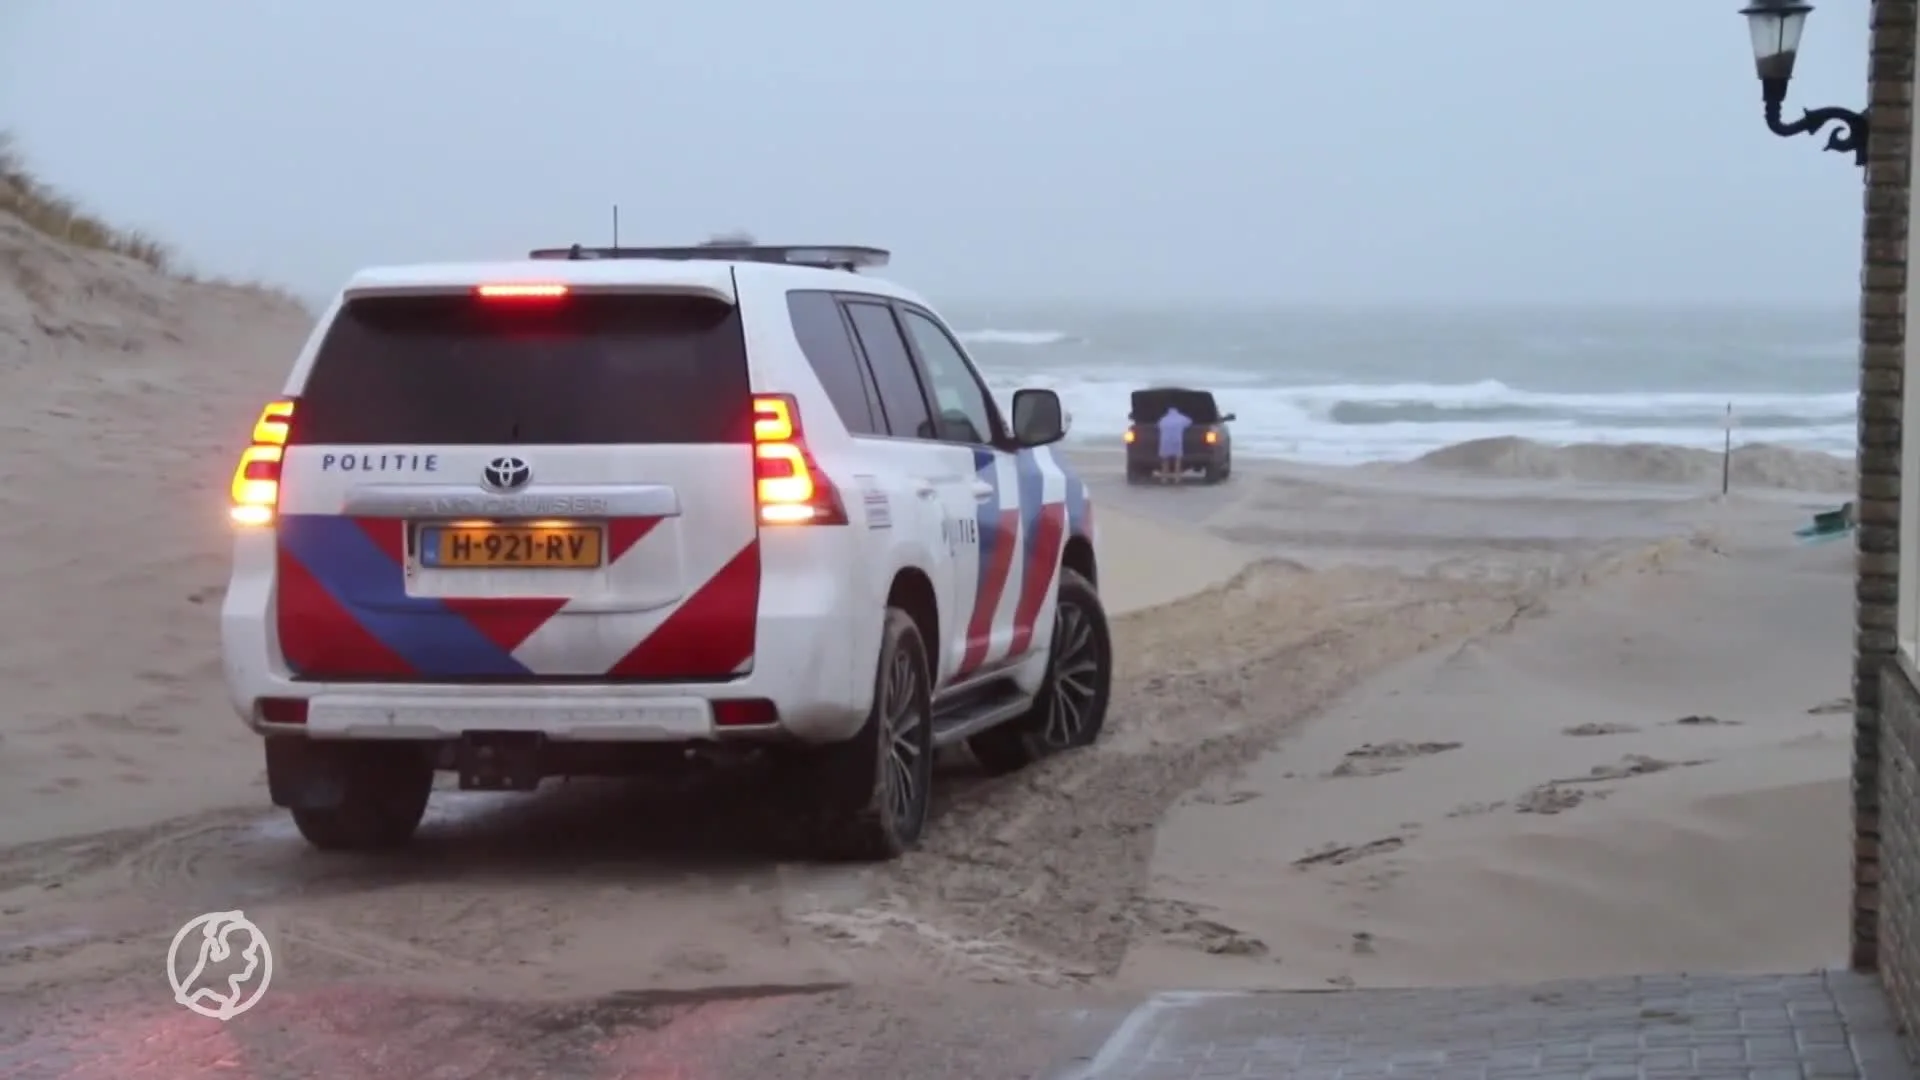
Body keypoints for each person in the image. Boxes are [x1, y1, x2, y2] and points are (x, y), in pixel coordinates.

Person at [1156, 404, 1192, 483]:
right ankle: (1177, 478)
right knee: (1177, 459)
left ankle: (1164, 478)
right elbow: (1189, 422)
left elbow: (1158, 426)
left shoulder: (1163, 419)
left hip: (1165, 440)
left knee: (1165, 460)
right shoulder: (1182, 418)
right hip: (1177, 440)